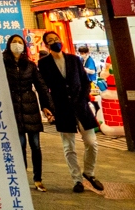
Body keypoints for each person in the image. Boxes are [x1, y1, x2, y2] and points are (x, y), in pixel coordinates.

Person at [38, 30, 103, 193]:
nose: (55, 42)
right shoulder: (44, 63)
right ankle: (77, 180)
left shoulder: (74, 60)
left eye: (56, 39)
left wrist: (83, 97)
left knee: (92, 143)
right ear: (47, 45)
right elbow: (43, 87)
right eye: (51, 40)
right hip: (62, 109)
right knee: (69, 147)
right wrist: (48, 106)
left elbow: (85, 81)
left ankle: (89, 173)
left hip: (81, 106)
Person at [2, 34, 53, 193]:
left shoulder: (30, 65)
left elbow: (41, 86)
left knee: (36, 145)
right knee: (20, 145)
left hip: (30, 106)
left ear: (24, 46)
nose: (17, 45)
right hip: (12, 107)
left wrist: (47, 106)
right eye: (14, 42)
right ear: (9, 45)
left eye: (19, 42)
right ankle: (22, 177)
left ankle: (38, 179)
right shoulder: (1, 64)